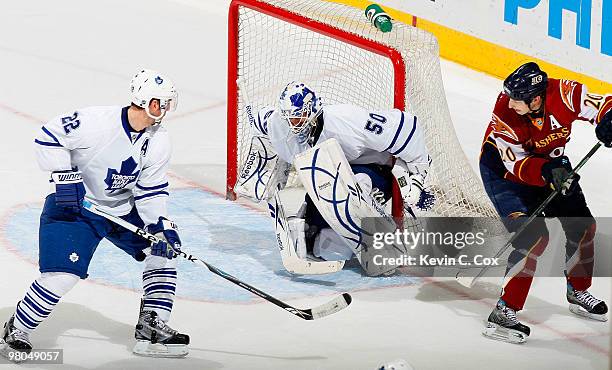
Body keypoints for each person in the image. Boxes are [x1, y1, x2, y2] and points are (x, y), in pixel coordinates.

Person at [0, 69, 190, 360]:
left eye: (167, 104)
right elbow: (48, 138)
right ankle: (17, 329)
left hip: (122, 210)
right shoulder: (95, 123)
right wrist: (66, 178)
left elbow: (151, 190)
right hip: (76, 210)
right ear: (141, 100)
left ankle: (151, 326)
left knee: (162, 252)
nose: (163, 110)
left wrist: (160, 226)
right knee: (62, 277)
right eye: (157, 103)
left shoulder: (159, 140)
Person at [479, 62, 612, 343]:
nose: (510, 102)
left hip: (551, 166)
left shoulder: (566, 93)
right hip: (504, 175)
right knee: (532, 237)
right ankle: (504, 311)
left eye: (518, 98)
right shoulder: (504, 112)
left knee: (583, 226)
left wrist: (611, 118)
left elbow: (603, 104)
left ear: (536, 98)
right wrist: (547, 172)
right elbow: (514, 164)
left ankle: (577, 290)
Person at [249, 81, 433, 267]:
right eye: (289, 118)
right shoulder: (278, 124)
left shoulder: (346, 120)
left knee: (354, 188)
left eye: (299, 117)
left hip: (373, 172)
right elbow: (259, 120)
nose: (294, 125)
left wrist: (418, 177)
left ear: (312, 109)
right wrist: (258, 167)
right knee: (327, 249)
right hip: (331, 176)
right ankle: (312, 223)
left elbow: (408, 127)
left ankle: (384, 244)